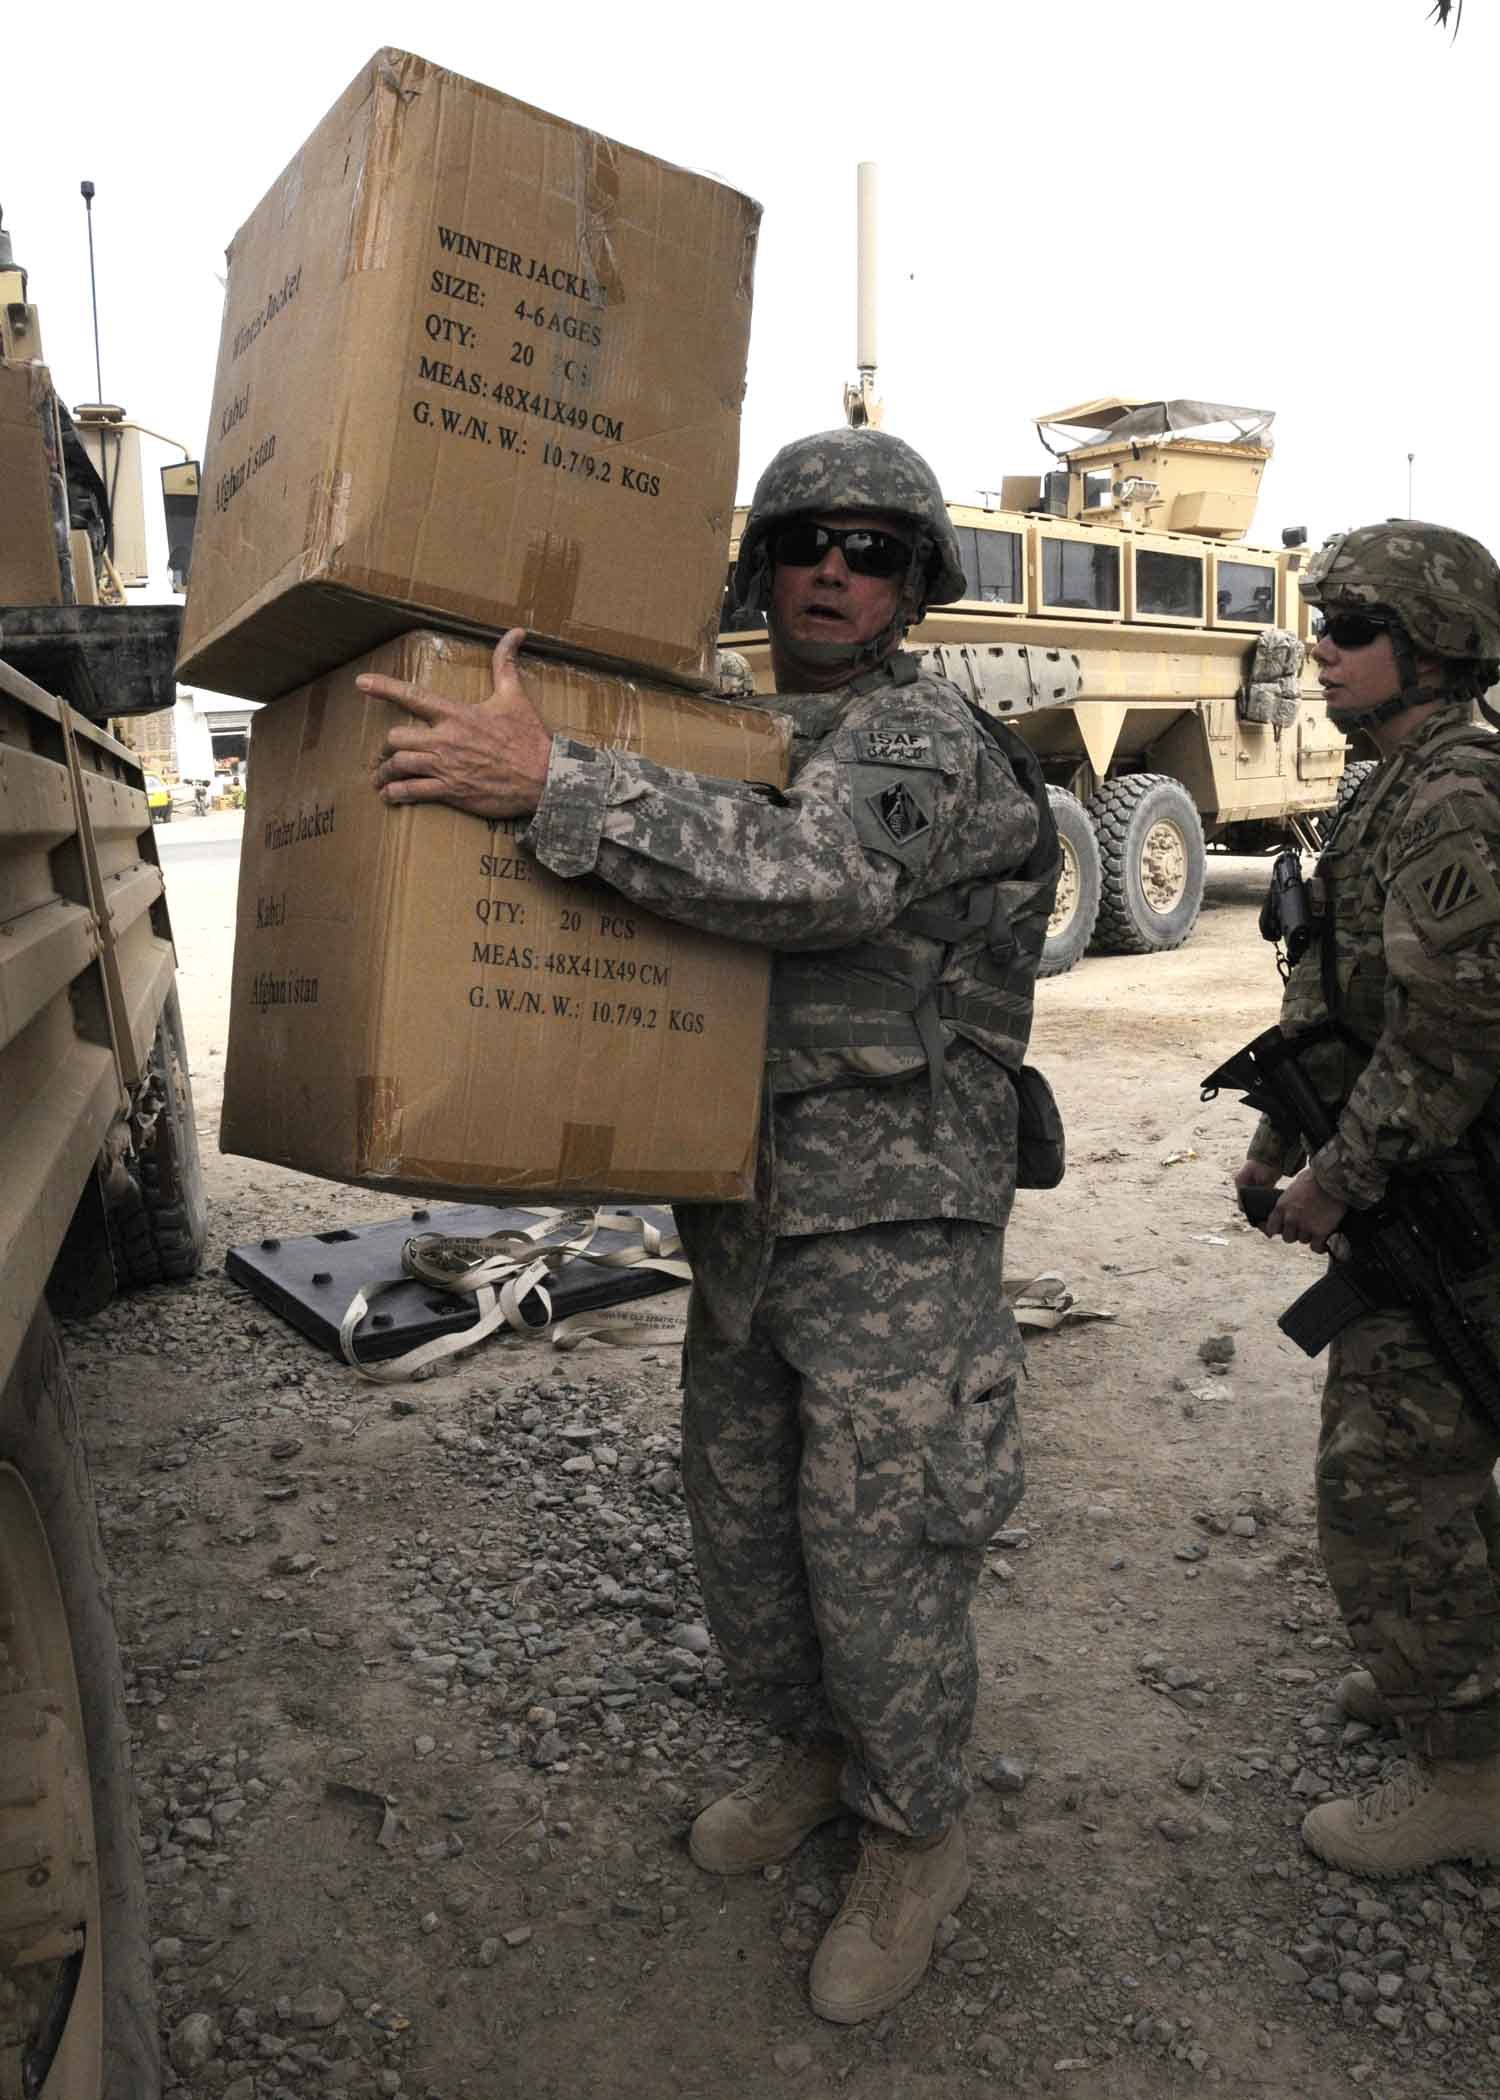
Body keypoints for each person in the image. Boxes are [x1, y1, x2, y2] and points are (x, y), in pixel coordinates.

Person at [356, 427, 1059, 2021]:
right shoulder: (741, 730)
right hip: (746, 1207)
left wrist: (557, 783)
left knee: (883, 1543)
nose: (833, 568)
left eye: (874, 549)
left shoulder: (915, 738)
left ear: (914, 584)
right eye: (808, 538)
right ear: (765, 560)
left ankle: (914, 1833)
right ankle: (820, 1748)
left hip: (893, 1221)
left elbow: (816, 883)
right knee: (747, 1529)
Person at [1237, 519, 1500, 1876]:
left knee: (1393, 1482)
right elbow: (1337, 994)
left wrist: (1338, 1182)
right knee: (1439, 1464)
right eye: (1323, 624)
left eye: (1352, 627)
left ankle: (1468, 1770)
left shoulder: (1455, 794)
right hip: (1411, 1177)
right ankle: (1439, 1678)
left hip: (1449, 1196)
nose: (1322, 650)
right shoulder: (1389, 782)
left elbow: (1451, 1035)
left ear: (1434, 644)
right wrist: (1284, 1128)